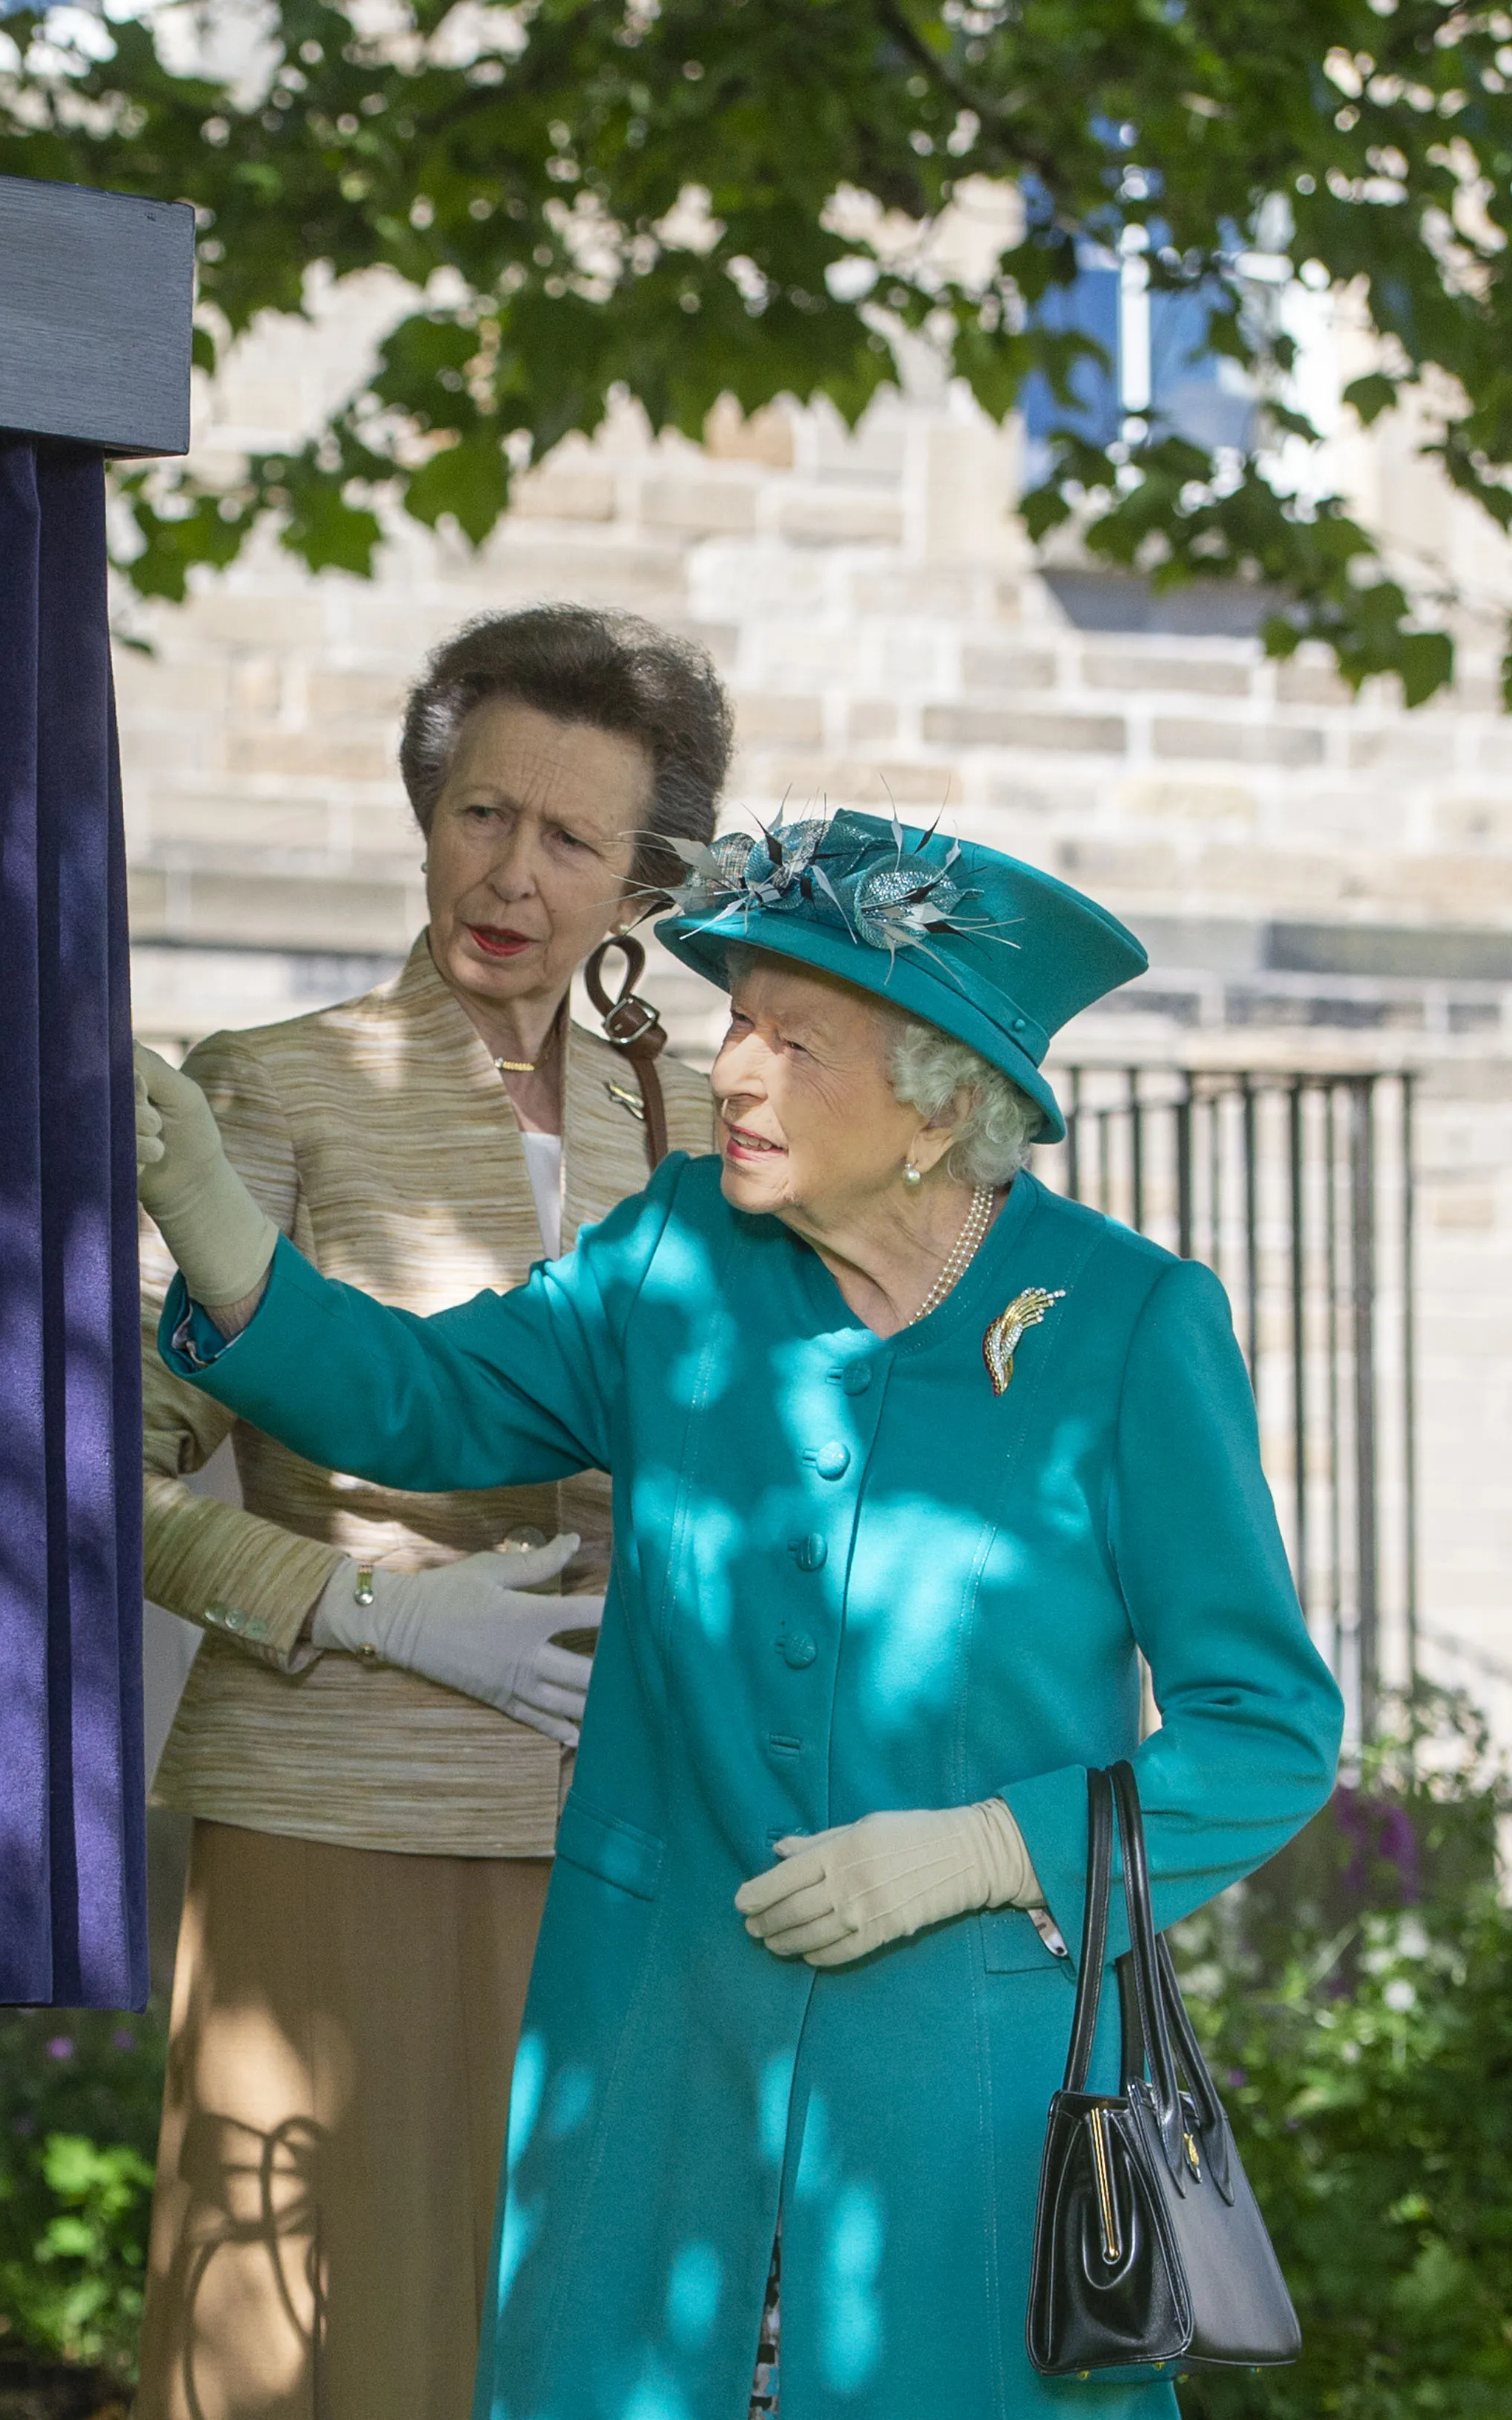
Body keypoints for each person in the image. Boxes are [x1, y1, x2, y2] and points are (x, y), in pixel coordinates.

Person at [131, 810, 1342, 2419]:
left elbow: (1268, 1733)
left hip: (971, 2103)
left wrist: (990, 1848)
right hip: (656, 2049)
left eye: (795, 1041)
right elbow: (418, 1400)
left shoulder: (1125, 1326)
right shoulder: (674, 1252)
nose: (734, 1073)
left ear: (938, 1107)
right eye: (738, 1024)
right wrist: (212, 1215)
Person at [133, 606, 726, 2420]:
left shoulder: (708, 1128)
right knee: (331, 2327)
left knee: (589, 2325)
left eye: (570, 837)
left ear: (644, 883)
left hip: (634, 1822)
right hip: (341, 1800)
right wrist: (368, 1608)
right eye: (481, 812)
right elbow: (94, 1479)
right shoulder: (274, 1084)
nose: (512, 872)